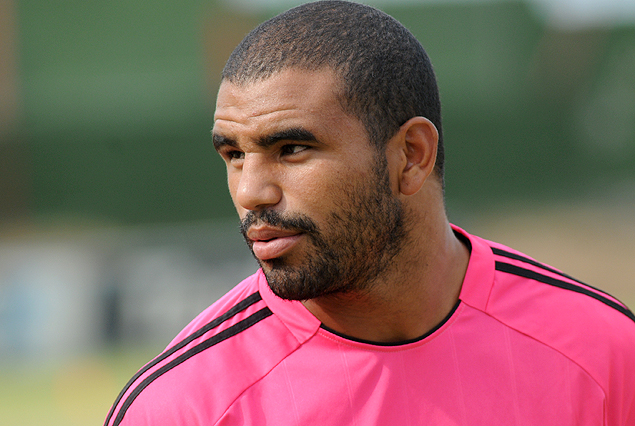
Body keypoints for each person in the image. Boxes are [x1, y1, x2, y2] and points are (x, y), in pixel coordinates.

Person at [104, 1, 635, 425]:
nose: (251, 192)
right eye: (234, 155)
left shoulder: (606, 357)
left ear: (412, 156)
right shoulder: (182, 407)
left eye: (292, 149)